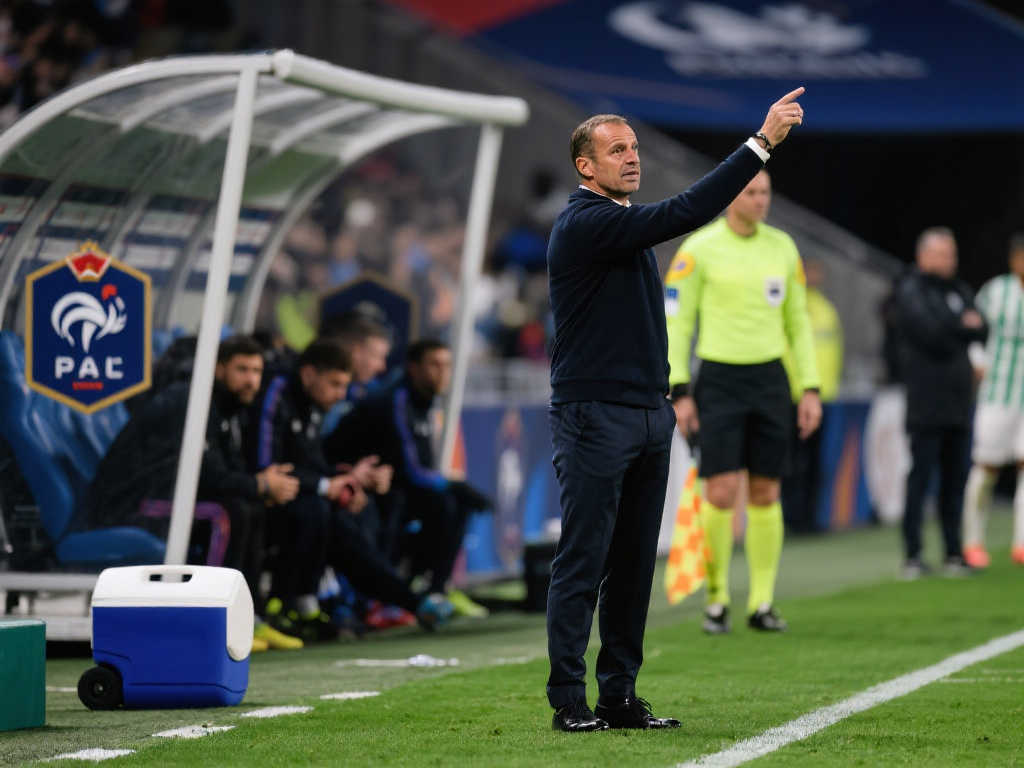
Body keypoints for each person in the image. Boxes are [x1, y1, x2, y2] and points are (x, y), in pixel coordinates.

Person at [544, 88, 806, 733]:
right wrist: (761, 143)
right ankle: (569, 699)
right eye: (617, 150)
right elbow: (686, 210)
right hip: (594, 414)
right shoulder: (585, 223)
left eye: (634, 147)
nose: (632, 157)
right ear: (585, 166)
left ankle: (618, 697)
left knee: (634, 564)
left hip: (644, 412)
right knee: (584, 559)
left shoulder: (619, 223)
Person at [667, 169, 821, 636]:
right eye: (751, 192)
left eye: (765, 192)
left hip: (770, 379)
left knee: (766, 491)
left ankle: (761, 602)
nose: (760, 200)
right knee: (719, 491)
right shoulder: (699, 249)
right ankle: (717, 600)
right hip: (718, 379)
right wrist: (679, 388)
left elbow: (798, 322)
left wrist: (809, 387)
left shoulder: (783, 247)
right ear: (732, 196)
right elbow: (677, 321)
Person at [87, 335, 303, 651]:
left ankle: (250, 616)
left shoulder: (225, 406)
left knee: (252, 507)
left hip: (173, 494)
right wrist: (259, 484)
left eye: (256, 371)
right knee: (227, 514)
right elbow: (206, 474)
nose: (251, 380)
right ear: (218, 369)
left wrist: (260, 487)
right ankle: (213, 620)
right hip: (135, 499)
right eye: (242, 369)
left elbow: (224, 470)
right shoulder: (190, 401)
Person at [250, 337, 451, 640]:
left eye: (344, 385)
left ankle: (373, 603)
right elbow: (266, 463)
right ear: (309, 375)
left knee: (361, 508)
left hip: (300, 491)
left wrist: (348, 479)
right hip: (262, 494)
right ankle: (292, 603)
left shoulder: (310, 403)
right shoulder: (277, 391)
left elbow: (312, 460)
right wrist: (326, 484)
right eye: (334, 384)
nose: (340, 394)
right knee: (318, 511)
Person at [323, 339, 493, 617]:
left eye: (447, 365)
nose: (442, 372)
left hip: (386, 484)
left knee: (453, 505)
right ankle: (382, 601)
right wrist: (453, 485)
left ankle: (435, 590)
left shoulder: (425, 402)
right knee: (427, 502)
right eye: (434, 365)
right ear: (413, 368)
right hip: (361, 485)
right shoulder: (395, 400)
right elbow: (410, 469)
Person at [894, 227, 987, 579]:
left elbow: (983, 327)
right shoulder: (911, 289)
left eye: (952, 254)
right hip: (926, 402)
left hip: (959, 403)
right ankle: (913, 554)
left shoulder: (958, 290)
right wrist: (962, 327)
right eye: (943, 254)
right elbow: (931, 334)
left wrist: (960, 327)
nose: (950, 260)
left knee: (955, 479)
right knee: (921, 478)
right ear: (924, 256)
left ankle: (953, 552)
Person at [961, 233, 1024, 568]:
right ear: (1014, 259)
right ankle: (972, 540)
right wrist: (978, 361)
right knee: (986, 467)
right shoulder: (995, 291)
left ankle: (1021, 543)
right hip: (998, 392)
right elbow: (972, 331)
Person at [781, 258, 843, 533]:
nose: (812, 276)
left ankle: (811, 517)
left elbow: (834, 353)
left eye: (816, 271)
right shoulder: (788, 306)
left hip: (822, 396)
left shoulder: (827, 309)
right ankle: (790, 518)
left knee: (816, 462)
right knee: (791, 460)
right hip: (792, 397)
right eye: (808, 270)